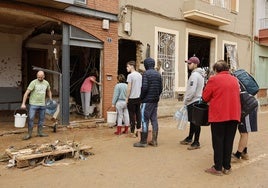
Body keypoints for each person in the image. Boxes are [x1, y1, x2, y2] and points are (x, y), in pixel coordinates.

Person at [202, 60, 241, 175]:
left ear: (216, 70)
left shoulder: (214, 79)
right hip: (234, 115)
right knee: (229, 141)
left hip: (219, 115)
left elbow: (205, 97)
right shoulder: (235, 79)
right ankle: (227, 167)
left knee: (218, 141)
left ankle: (218, 167)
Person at [133, 57, 162, 147]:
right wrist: (156, 96)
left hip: (147, 101)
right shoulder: (158, 74)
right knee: (154, 120)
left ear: (146, 65)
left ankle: (143, 141)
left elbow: (144, 87)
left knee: (144, 120)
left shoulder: (145, 74)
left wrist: (141, 98)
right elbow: (161, 88)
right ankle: (154, 140)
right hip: (155, 101)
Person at [180, 56, 205, 150]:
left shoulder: (194, 75)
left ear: (195, 64)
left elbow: (192, 90)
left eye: (190, 63)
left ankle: (196, 141)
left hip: (193, 101)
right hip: (197, 99)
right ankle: (190, 138)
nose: (188, 65)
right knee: (193, 121)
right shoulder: (200, 74)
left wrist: (186, 100)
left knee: (196, 122)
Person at [21, 71, 52, 140]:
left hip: (42, 104)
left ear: (44, 76)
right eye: (38, 77)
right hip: (33, 104)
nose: (40, 78)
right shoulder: (33, 82)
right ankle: (29, 134)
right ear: (36, 76)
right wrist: (23, 103)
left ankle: (40, 132)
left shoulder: (46, 83)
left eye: (41, 77)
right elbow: (26, 93)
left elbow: (49, 91)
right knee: (31, 118)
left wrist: (50, 99)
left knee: (41, 119)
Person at [126, 61, 142, 137]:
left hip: (132, 98)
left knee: (131, 115)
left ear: (132, 66)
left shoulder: (130, 76)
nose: (127, 68)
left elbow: (129, 88)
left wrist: (126, 98)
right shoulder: (139, 75)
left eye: (128, 66)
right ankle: (138, 130)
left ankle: (132, 132)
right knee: (138, 114)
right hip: (138, 98)